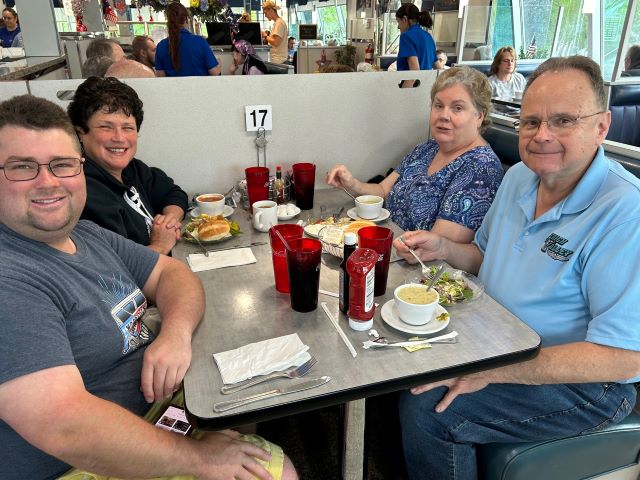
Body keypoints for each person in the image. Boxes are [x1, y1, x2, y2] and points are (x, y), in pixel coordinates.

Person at [0, 94, 298, 480]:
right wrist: (202, 459)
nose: (48, 182)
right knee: (275, 472)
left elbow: (174, 276)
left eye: (62, 165)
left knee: (252, 385)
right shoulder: (10, 279)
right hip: (83, 461)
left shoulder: (86, 234)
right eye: (21, 167)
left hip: (155, 408)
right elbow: (65, 427)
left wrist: (174, 335)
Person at [395, 56, 640, 480]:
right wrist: (444, 248)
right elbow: (483, 258)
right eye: (531, 122)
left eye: (563, 121)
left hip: (587, 385)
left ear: (601, 126)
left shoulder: (625, 212)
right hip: (500, 340)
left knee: (429, 408)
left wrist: (493, 370)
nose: (542, 135)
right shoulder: (518, 179)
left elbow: (624, 358)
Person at [327, 66, 503, 243]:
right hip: (382, 241)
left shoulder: (481, 167)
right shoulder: (427, 148)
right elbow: (383, 191)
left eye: (457, 108)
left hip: (410, 257)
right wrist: (352, 183)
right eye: (438, 105)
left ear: (479, 117)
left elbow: (437, 246)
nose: (444, 115)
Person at [67, 77, 188, 255]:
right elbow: (113, 267)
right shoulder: (85, 193)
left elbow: (173, 193)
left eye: (128, 128)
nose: (119, 137)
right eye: (106, 127)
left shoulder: (132, 169)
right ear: (80, 134)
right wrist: (160, 246)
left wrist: (170, 219)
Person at [155, 2, 221, 77]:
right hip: (201, 84)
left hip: (173, 85)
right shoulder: (200, 42)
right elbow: (215, 73)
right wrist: (219, 65)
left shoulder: (161, 46)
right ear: (186, 20)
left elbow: (160, 78)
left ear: (168, 21)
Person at [395, 3, 436, 87]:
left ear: (405, 19)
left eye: (398, 22)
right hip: (427, 87)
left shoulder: (406, 36)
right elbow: (438, 66)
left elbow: (414, 71)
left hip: (412, 87)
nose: (398, 27)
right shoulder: (428, 36)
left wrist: (402, 93)